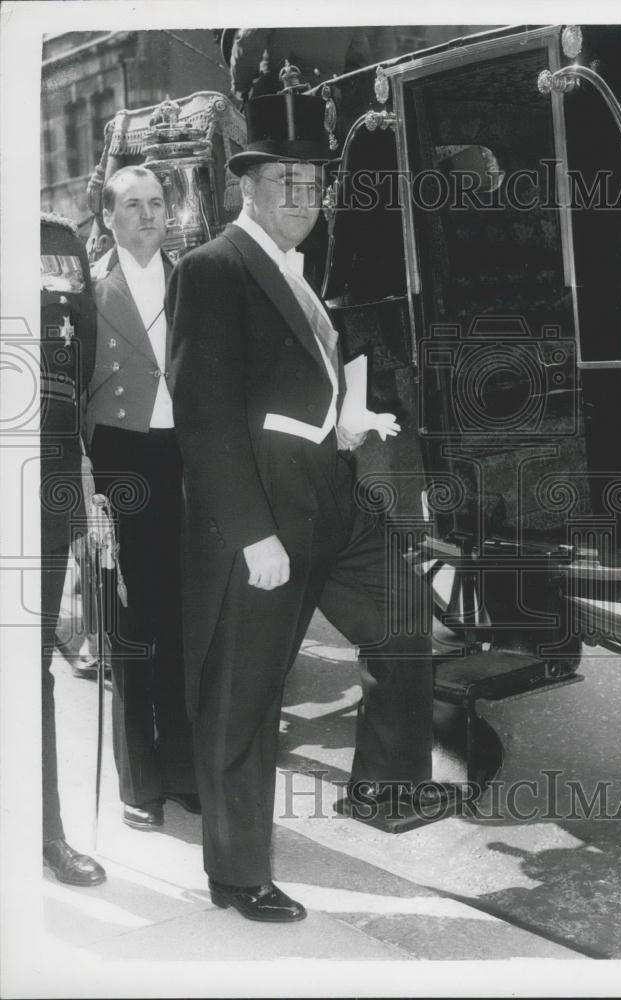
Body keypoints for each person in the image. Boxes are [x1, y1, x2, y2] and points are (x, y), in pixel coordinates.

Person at [167, 89, 441, 924]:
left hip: (332, 497)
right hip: (266, 517)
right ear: (247, 186)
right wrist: (252, 535)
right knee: (245, 697)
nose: (303, 196)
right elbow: (205, 416)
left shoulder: (296, 270)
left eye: (314, 183)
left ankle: (381, 789)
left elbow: (296, 387)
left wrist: (348, 417)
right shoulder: (213, 268)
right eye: (284, 179)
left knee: (403, 621)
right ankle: (237, 872)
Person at [85, 166, 199, 831]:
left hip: (180, 456)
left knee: (182, 620)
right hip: (120, 461)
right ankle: (140, 780)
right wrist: (84, 486)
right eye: (133, 205)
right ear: (108, 219)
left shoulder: (192, 279)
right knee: (131, 625)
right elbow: (67, 394)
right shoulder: (89, 290)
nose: (149, 215)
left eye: (157, 203)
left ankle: (183, 770)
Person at [40, 213, 106, 885]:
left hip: (42, 482)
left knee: (31, 671)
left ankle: (46, 834)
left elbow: (81, 365)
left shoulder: (57, 241)